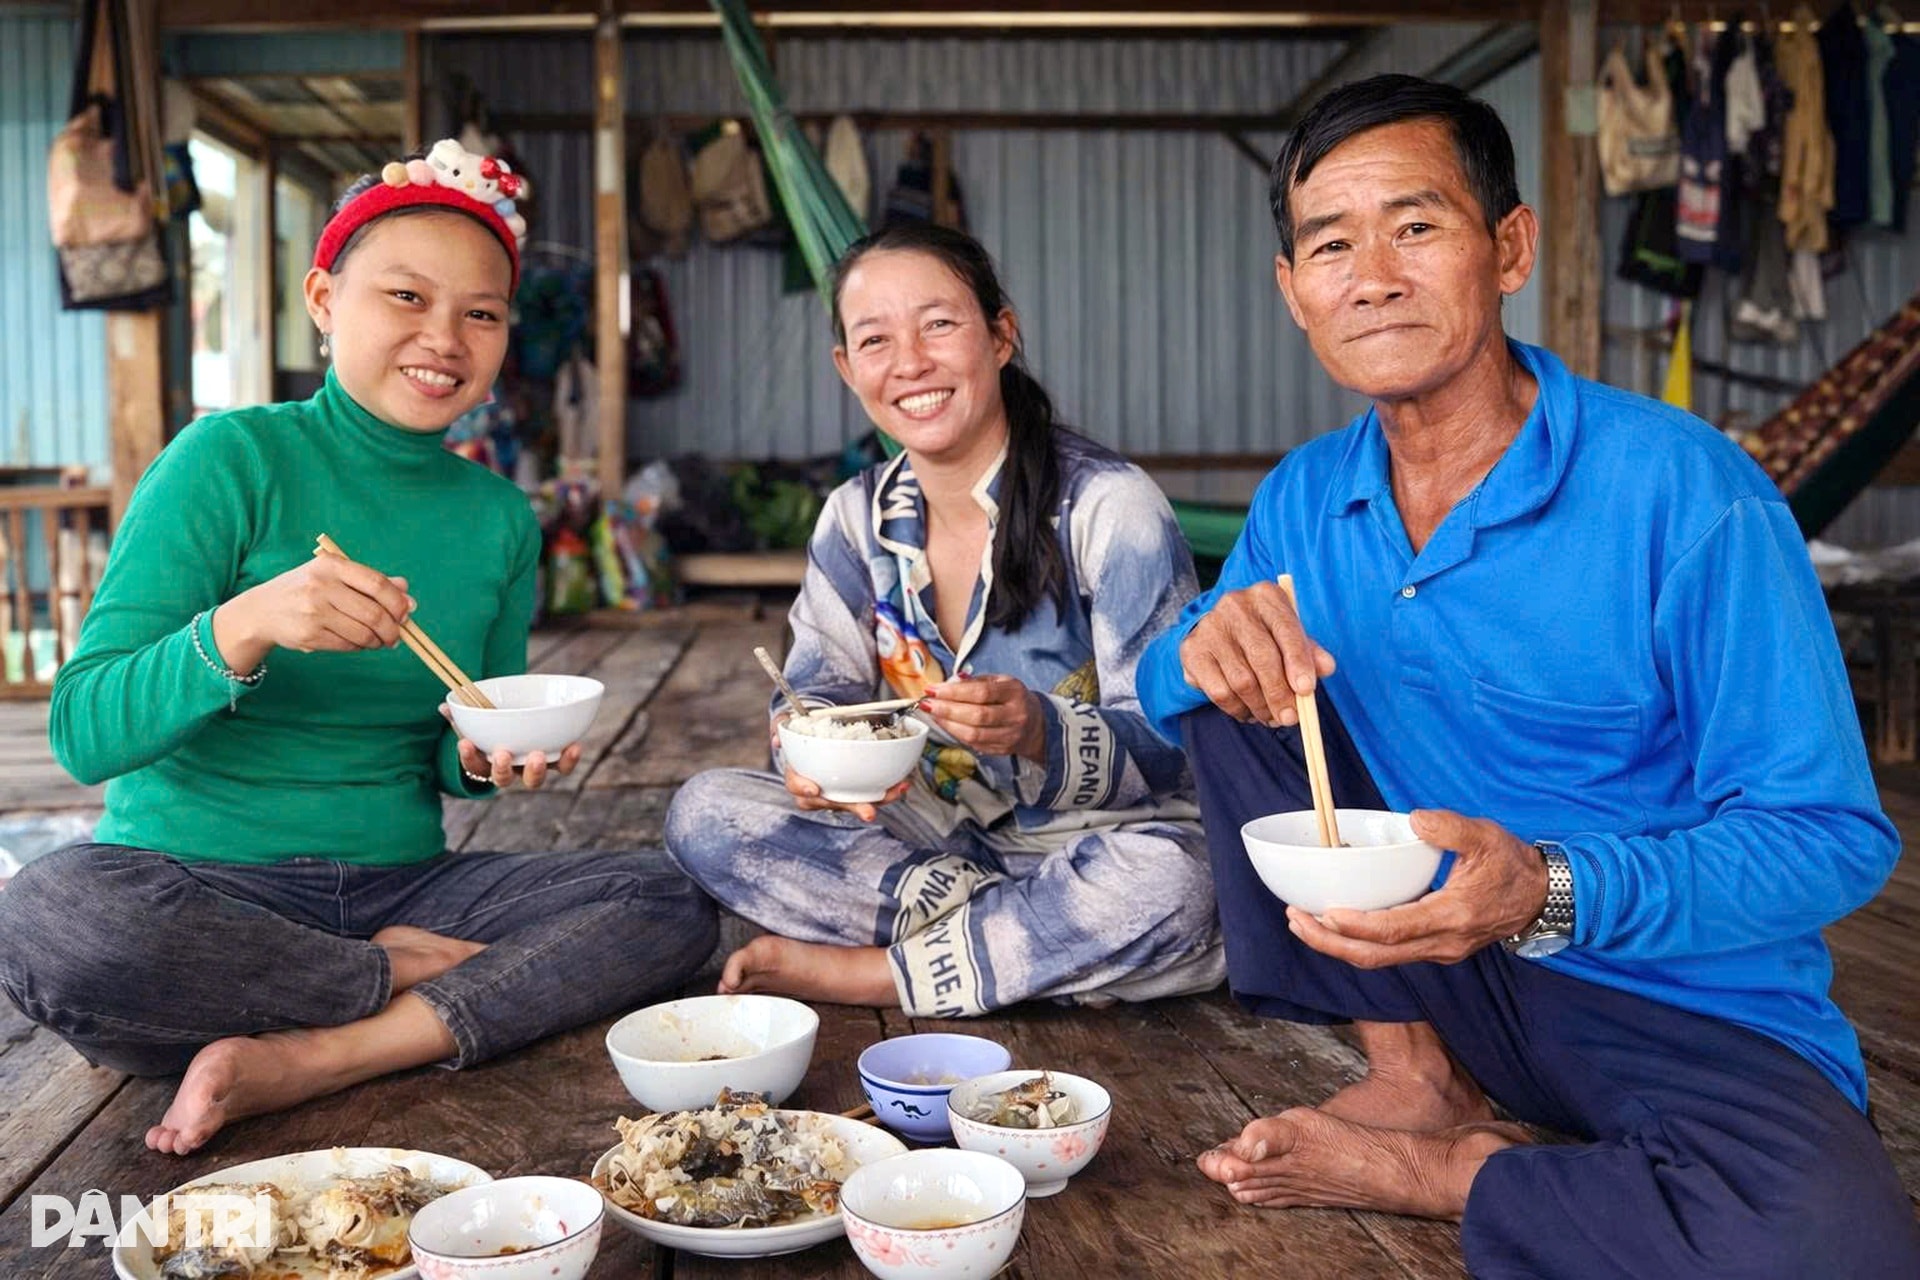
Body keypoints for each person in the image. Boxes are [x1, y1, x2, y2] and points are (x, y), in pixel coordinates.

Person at [1136, 75, 1920, 1277]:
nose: (1374, 275)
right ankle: (1415, 1086)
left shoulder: (1686, 494)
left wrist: (1550, 889)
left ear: (1508, 246)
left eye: (1416, 226)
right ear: (1295, 291)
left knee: (1834, 1244)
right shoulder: (1303, 496)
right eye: (1332, 244)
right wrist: (1190, 648)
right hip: (1433, 970)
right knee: (1233, 668)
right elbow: (1166, 693)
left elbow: (1831, 836)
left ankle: (1459, 1172)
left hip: (1675, 999)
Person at [0, 142, 716, 1157]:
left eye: (481, 312)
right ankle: (391, 989)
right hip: (198, 888)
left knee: (667, 901)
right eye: (406, 296)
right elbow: (82, 730)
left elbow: (449, 735)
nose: (444, 337)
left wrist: (475, 754)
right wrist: (242, 624)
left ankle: (315, 1052)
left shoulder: (500, 518)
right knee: (50, 917)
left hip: (400, 887)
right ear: (324, 298)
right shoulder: (229, 457)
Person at [664, 223, 1222, 1016]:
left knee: (1179, 882)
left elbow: (1177, 745)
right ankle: (1025, 942)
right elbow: (813, 692)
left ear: (1000, 335)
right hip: (927, 845)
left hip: (1098, 840)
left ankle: (878, 974)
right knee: (706, 813)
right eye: (875, 339)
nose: (910, 363)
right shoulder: (855, 519)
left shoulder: (1109, 507)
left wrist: (1040, 729)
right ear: (847, 368)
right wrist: (810, 757)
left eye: (939, 324)